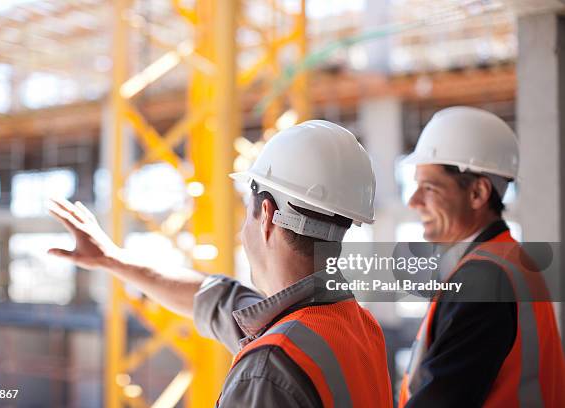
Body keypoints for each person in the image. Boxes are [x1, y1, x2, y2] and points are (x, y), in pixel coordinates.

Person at [48, 120, 393, 407]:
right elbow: (216, 298)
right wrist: (114, 260)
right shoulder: (356, 326)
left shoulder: (269, 367)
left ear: (267, 217)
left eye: (247, 213)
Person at [398, 106, 565, 407]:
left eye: (429, 187)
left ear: (477, 193)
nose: (413, 201)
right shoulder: (512, 260)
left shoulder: (483, 280)